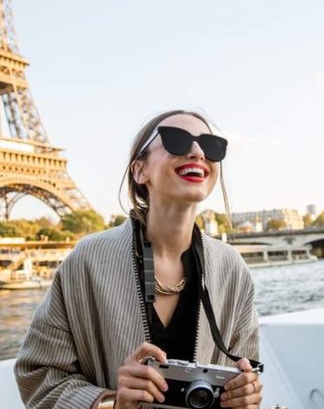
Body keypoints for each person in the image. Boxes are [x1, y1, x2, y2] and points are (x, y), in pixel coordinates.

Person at [15, 110, 263, 409]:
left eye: (211, 145)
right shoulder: (87, 260)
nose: (198, 152)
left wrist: (245, 395)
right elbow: (39, 377)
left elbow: (247, 372)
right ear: (139, 171)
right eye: (178, 141)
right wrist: (112, 403)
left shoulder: (232, 268)